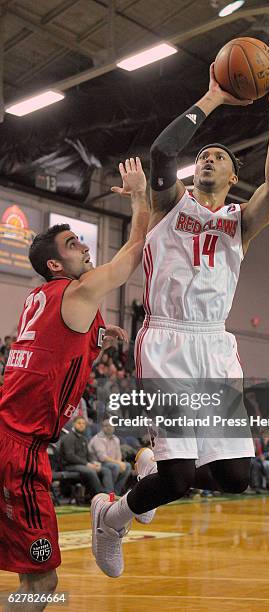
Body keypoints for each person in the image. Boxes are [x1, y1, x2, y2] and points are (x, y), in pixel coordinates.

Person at [91, 58, 269, 577]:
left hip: (215, 347)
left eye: (219, 156)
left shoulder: (240, 222)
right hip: (167, 339)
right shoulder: (167, 204)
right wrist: (214, 99)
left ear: (233, 174)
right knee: (179, 481)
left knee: (235, 477)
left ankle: (150, 470)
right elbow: (162, 152)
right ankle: (112, 519)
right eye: (202, 154)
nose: (207, 159)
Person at [0, 158, 148, 609]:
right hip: (19, 453)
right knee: (41, 585)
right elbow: (133, 254)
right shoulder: (72, 292)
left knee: (36, 581)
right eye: (71, 243)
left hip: (12, 439)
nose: (83, 245)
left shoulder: (40, 299)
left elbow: (58, 351)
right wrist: (141, 194)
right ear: (54, 263)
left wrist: (99, 338)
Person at [60, 416, 114, 496]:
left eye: (83, 423)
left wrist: (94, 463)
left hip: (83, 465)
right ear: (73, 424)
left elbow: (88, 456)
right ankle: (101, 497)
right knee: (90, 471)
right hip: (70, 465)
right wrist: (87, 464)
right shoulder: (68, 438)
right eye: (79, 423)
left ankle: (110, 496)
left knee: (105, 470)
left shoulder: (84, 438)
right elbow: (70, 457)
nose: (81, 425)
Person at [88, 419, 132, 495]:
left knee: (127, 466)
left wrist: (120, 463)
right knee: (115, 466)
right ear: (102, 427)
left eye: (111, 425)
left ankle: (116, 493)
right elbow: (102, 457)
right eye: (106, 426)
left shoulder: (116, 439)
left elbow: (118, 455)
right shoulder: (98, 438)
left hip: (111, 463)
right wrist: (118, 463)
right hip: (97, 464)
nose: (109, 427)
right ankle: (110, 494)